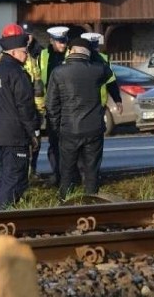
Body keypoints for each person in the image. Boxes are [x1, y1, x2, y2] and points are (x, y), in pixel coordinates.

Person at [46, 37, 115, 201]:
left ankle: (65, 201)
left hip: (69, 129)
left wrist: (57, 128)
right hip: (94, 129)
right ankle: (91, 201)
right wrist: (93, 55)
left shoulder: (58, 72)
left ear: (71, 51)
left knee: (67, 170)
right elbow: (108, 72)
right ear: (88, 53)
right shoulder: (97, 69)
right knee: (92, 170)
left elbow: (51, 105)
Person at [0, 25, 40, 210]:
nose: (26, 55)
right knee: (15, 178)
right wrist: (34, 133)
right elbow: (25, 107)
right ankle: (3, 216)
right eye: (24, 52)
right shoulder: (17, 74)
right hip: (14, 137)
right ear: (14, 52)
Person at [39, 26, 70, 186]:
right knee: (54, 143)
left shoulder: (71, 54)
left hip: (69, 106)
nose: (63, 45)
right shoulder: (43, 56)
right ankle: (56, 174)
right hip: (51, 107)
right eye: (59, 42)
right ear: (51, 41)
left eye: (64, 41)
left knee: (69, 143)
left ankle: (70, 176)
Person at [81, 31, 123, 116]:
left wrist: (117, 100)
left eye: (96, 46)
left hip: (100, 105)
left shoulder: (103, 59)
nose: (96, 49)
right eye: (93, 47)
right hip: (82, 106)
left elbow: (111, 81)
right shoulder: (78, 59)